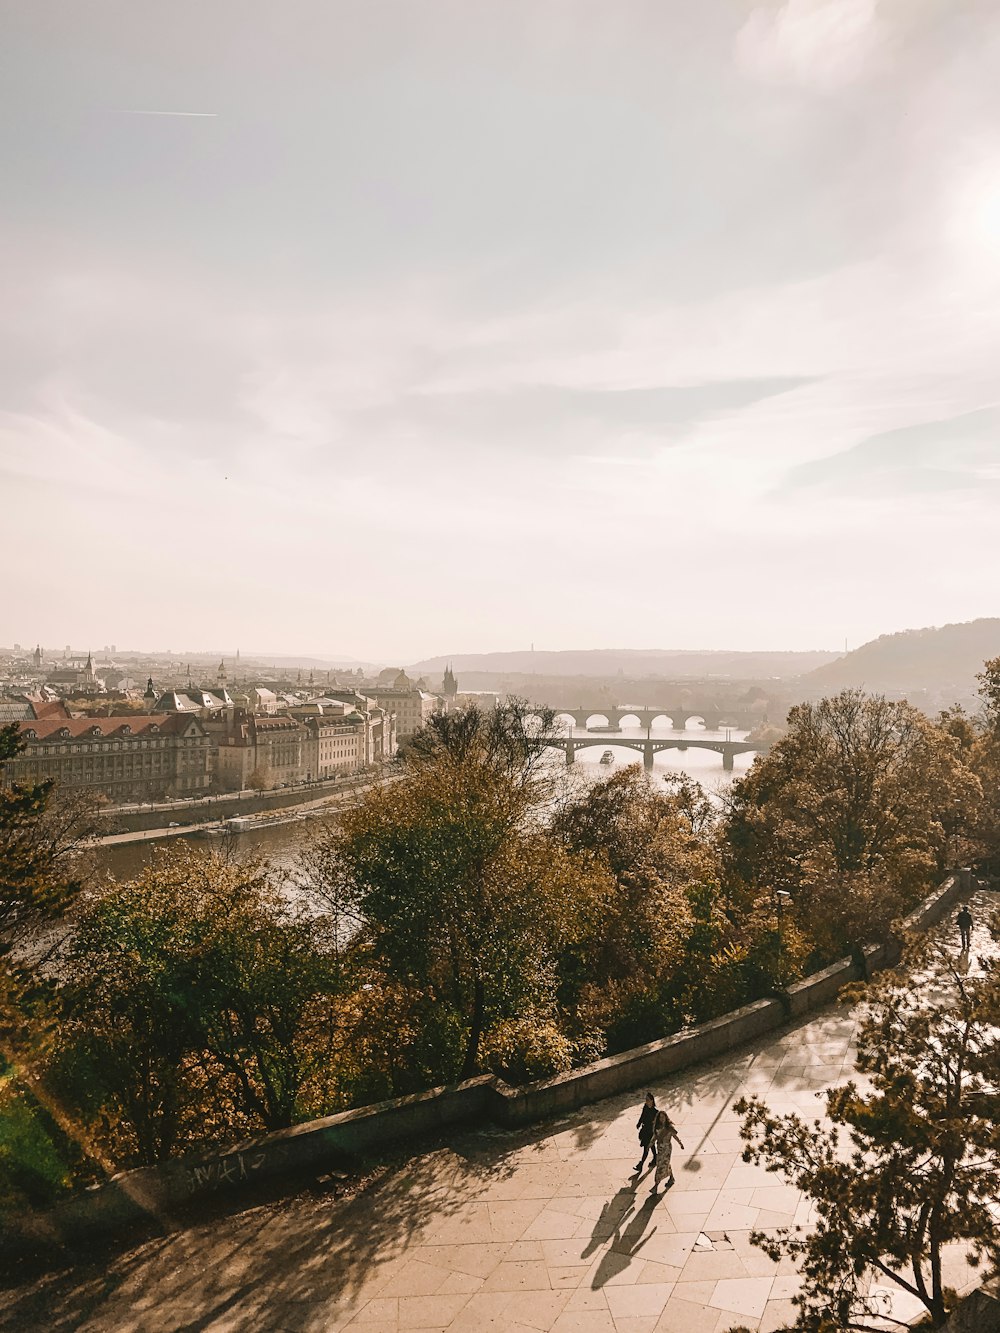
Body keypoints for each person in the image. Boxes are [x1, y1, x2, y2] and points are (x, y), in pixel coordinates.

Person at [650, 1109, 684, 1193]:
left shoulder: (669, 1128)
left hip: (667, 1149)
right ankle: (671, 1178)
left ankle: (656, 1186)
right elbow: (654, 1137)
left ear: (666, 1118)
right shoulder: (657, 1127)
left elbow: (674, 1136)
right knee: (664, 1164)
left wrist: (680, 1143)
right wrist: (650, 1144)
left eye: (663, 1117)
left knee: (660, 1167)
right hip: (660, 1149)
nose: (662, 1119)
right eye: (660, 1117)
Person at [634, 1093, 658, 1172]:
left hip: (650, 1132)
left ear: (652, 1100)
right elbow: (642, 1115)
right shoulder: (645, 1107)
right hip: (645, 1131)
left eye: (648, 1100)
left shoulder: (655, 1112)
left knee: (646, 1148)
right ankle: (655, 1158)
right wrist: (639, 1123)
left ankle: (641, 1164)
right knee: (651, 1146)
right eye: (646, 1100)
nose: (646, 1101)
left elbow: (657, 1124)